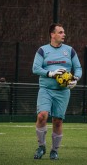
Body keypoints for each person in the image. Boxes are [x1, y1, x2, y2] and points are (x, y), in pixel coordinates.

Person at [32, 23, 82, 160]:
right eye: (60, 32)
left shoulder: (70, 50)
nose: (63, 34)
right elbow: (35, 68)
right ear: (52, 34)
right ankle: (41, 146)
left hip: (63, 91)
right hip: (46, 89)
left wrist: (75, 78)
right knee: (42, 116)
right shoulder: (42, 50)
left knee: (58, 121)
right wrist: (51, 73)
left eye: (63, 32)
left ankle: (54, 150)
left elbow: (78, 68)